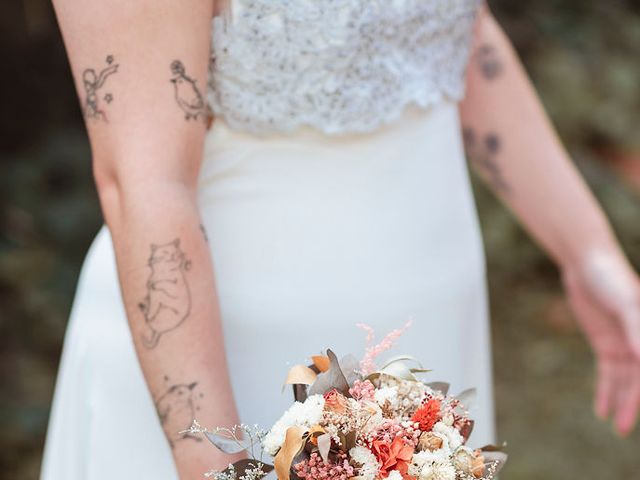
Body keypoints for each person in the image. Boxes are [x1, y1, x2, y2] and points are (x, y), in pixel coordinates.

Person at [41, 1, 640, 479]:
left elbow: (455, 32)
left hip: (431, 342)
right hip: (235, 372)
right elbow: (144, 183)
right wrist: (219, 465)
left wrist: (587, 250)